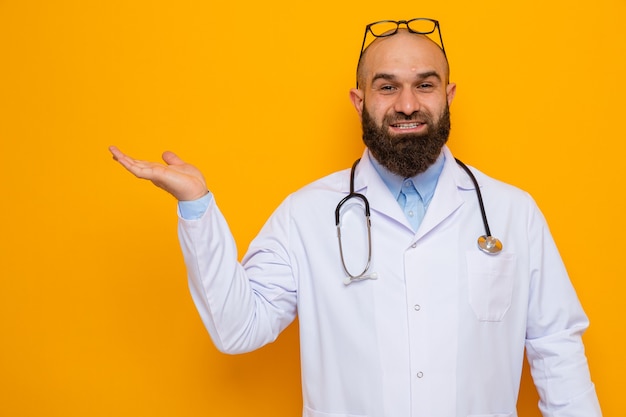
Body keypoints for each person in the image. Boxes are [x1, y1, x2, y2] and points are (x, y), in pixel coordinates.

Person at [110, 18, 602, 417]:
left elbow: (557, 350)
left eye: (424, 86)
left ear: (448, 96)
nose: (407, 104)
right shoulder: (306, 215)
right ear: (359, 99)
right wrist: (197, 205)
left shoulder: (513, 213)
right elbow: (239, 328)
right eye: (387, 87)